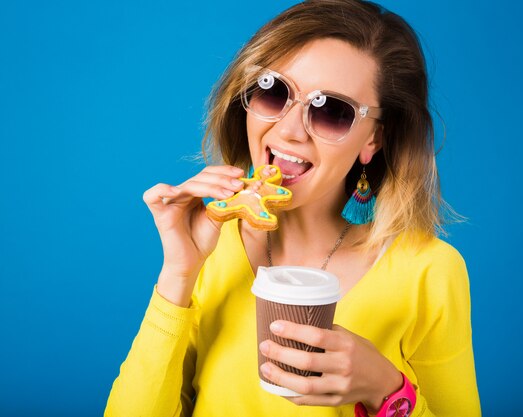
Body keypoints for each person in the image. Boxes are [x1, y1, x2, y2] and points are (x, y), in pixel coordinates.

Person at [105, 0, 481, 416]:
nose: (288, 130)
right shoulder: (210, 246)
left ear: (374, 139)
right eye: (273, 91)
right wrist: (178, 274)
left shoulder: (428, 272)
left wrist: (386, 390)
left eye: (332, 112)